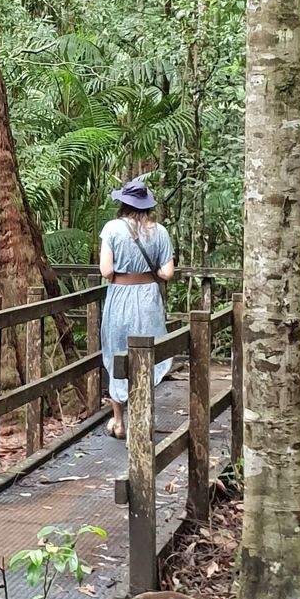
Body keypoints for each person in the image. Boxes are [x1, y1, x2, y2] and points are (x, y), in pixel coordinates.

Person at [98, 177, 176, 440]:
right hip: (148, 300)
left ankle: (119, 423)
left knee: (117, 352)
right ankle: (142, 420)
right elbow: (167, 272)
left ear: (123, 204)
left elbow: (106, 271)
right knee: (148, 355)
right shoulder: (160, 231)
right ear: (146, 206)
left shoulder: (111, 229)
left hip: (120, 297)